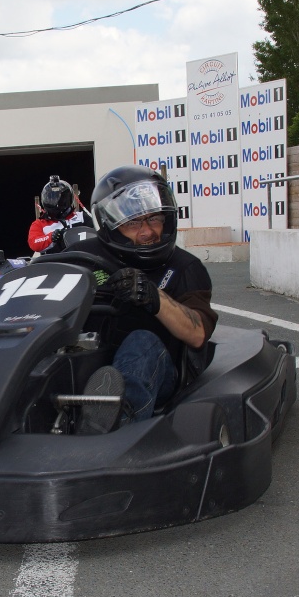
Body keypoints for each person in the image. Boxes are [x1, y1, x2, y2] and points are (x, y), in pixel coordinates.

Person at [70, 165, 218, 432]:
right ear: (111, 225)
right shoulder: (81, 255)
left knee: (142, 340)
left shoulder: (185, 267)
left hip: (158, 372)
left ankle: (116, 427)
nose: (148, 231)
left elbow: (198, 334)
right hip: (88, 364)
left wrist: (154, 297)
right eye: (134, 222)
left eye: (154, 219)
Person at [27, 175, 94, 255]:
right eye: (51, 198)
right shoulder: (40, 224)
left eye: (59, 198)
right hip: (57, 263)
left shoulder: (81, 217)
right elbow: (34, 243)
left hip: (83, 260)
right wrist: (51, 237)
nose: (55, 202)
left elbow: (98, 232)